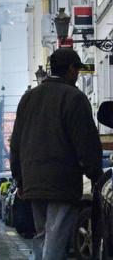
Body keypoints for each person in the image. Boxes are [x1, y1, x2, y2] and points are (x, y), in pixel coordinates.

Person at [10, 47, 102, 260]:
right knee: (57, 238)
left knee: (42, 235)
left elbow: (16, 143)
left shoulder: (28, 99)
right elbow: (86, 141)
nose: (78, 75)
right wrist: (95, 174)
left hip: (33, 181)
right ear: (71, 69)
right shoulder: (74, 98)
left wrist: (20, 179)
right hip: (62, 181)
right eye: (77, 70)